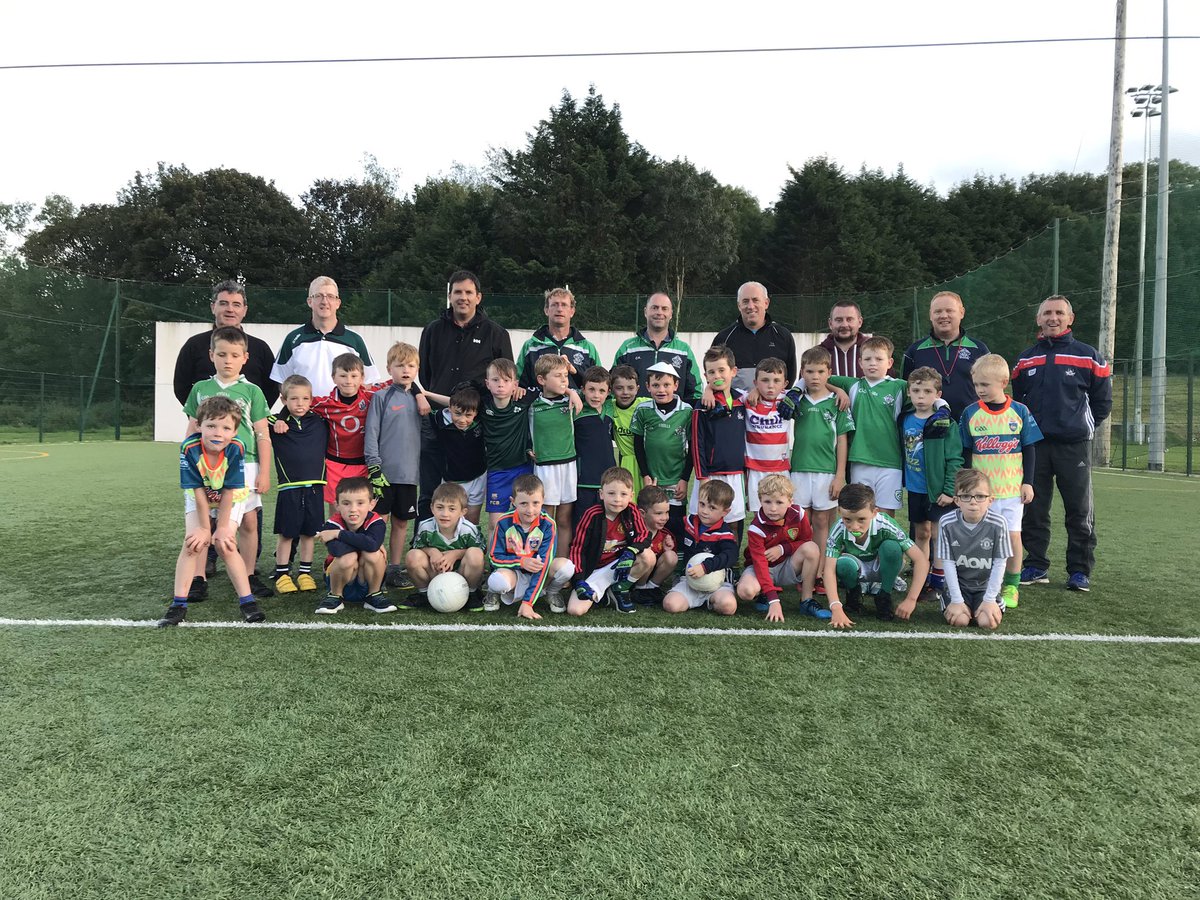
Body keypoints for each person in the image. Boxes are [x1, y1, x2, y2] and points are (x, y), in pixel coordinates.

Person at [174, 280, 278, 579]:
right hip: (207, 460)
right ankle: (199, 574)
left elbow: (263, 418)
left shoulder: (256, 365)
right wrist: (189, 457)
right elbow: (188, 404)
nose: (228, 360)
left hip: (245, 461)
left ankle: (247, 574)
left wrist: (264, 471)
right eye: (223, 303)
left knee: (248, 520)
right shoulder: (197, 366)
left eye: (236, 304)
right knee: (205, 515)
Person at [1012, 295, 1112, 592]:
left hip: (1074, 445)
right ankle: (1036, 564)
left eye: (1059, 313)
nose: (1052, 318)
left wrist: (1079, 426)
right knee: (1033, 507)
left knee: (1079, 510)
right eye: (1047, 313)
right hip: (1035, 446)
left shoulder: (1089, 356)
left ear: (1070, 319)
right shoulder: (1025, 359)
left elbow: (1102, 402)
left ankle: (1079, 570)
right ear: (1038, 319)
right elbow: (1019, 402)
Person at [157, 396, 266, 627]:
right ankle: (178, 605)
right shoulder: (189, 448)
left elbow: (228, 490)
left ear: (234, 431)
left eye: (226, 428)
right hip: (201, 495)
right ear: (198, 426)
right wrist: (205, 529)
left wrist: (222, 527)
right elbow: (197, 490)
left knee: (225, 544)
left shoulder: (236, 447)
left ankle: (248, 603)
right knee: (193, 543)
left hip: (230, 496)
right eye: (211, 426)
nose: (218, 433)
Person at [416, 269, 514, 521]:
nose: (463, 297)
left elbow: (505, 375)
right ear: (449, 296)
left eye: (469, 292)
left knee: (470, 492)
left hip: (475, 424)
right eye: (457, 292)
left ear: (478, 297)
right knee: (430, 490)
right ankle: (425, 539)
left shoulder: (496, 334)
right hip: (437, 422)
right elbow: (425, 374)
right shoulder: (432, 330)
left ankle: (466, 539)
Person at [961, 353, 1042, 608]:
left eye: (985, 384)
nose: (980, 389)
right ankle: (982, 582)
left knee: (1012, 537)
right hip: (980, 494)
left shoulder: (1019, 411)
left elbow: (1029, 449)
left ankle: (1012, 585)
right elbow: (965, 452)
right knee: (979, 539)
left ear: (1003, 382)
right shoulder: (970, 413)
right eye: (976, 384)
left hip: (1010, 491)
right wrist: (965, 487)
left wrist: (1028, 482)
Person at [779, 346, 854, 569]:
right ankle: (802, 567)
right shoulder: (797, 401)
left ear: (829, 372)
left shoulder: (837, 402)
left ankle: (820, 569)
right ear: (802, 373)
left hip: (826, 471)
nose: (815, 377)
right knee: (801, 520)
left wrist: (839, 476)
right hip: (799, 469)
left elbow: (842, 440)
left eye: (821, 372)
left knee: (822, 520)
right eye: (810, 372)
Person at [363, 342, 426, 588]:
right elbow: (371, 433)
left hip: (409, 474)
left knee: (401, 522)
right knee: (379, 521)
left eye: (411, 366)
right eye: (400, 366)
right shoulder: (381, 397)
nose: (405, 370)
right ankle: (375, 567)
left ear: (417, 369)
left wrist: (421, 395)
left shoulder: (421, 400)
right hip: (384, 474)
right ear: (389, 369)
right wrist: (374, 466)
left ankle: (393, 569)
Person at [824, 483, 928, 628]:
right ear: (839, 511)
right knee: (842, 564)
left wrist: (911, 599)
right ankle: (853, 594)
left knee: (892, 548)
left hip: (882, 566)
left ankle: (884, 595)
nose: (854, 526)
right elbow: (829, 569)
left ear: (874, 512)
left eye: (861, 519)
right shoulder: (838, 528)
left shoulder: (884, 523)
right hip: (856, 567)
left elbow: (921, 560)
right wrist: (835, 607)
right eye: (848, 519)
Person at [826, 336, 908, 518]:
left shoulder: (900, 387)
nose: (873, 363)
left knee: (886, 515)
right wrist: (838, 390)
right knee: (859, 512)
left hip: (890, 462)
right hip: (859, 460)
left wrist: (942, 405)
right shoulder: (852, 385)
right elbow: (816, 377)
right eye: (868, 359)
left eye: (879, 359)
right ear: (860, 362)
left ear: (890, 362)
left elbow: (927, 388)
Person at [302, 353, 392, 512]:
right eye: (343, 376)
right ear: (333, 378)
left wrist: (419, 394)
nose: (348, 381)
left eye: (354, 376)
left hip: (364, 464)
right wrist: (281, 418)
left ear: (362, 378)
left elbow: (399, 381)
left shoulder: (371, 396)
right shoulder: (325, 403)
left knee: (361, 511)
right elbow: (298, 400)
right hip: (335, 464)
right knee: (337, 511)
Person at [901, 367, 963, 600]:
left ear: (938, 395)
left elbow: (954, 458)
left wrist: (949, 490)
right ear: (909, 392)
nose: (921, 396)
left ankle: (938, 580)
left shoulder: (945, 423)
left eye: (927, 392)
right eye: (916, 391)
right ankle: (922, 575)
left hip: (938, 490)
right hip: (915, 488)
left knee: (939, 533)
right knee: (921, 533)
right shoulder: (904, 418)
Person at [173, 280, 278, 409]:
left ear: (244, 310)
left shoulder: (260, 348)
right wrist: (202, 414)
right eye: (223, 303)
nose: (230, 309)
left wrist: (253, 414)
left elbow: (272, 388)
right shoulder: (194, 345)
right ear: (213, 307)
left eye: (236, 305)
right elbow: (181, 386)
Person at [564, 467, 655, 616]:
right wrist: (579, 580)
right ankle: (606, 594)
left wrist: (631, 551)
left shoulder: (632, 510)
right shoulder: (591, 515)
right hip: (594, 569)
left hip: (620, 565)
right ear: (601, 494)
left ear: (631, 496)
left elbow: (644, 535)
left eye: (623, 494)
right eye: (611, 493)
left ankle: (620, 589)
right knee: (575, 610)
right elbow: (577, 549)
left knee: (648, 556)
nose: (617, 499)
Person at [271, 275, 380, 398]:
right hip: (306, 410)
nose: (324, 301)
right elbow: (281, 379)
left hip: (343, 410)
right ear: (309, 301)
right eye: (318, 296)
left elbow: (368, 381)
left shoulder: (355, 340)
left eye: (330, 296)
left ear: (338, 303)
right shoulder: (293, 339)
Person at [736, 474, 825, 622]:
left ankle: (806, 600)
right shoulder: (755, 528)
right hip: (761, 568)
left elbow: (805, 540)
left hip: (787, 564)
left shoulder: (798, 514)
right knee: (746, 591)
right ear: (760, 501)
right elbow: (759, 564)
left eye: (779, 502)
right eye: (767, 502)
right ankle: (765, 593)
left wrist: (783, 549)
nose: (773, 508)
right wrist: (774, 600)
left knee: (812, 548)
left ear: (790, 502)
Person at [267, 375, 327, 594]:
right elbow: (260, 419)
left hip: (316, 487)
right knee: (287, 533)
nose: (300, 403)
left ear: (311, 399)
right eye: (293, 399)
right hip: (289, 488)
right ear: (284, 400)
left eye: (305, 398)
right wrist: (281, 418)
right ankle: (282, 574)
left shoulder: (320, 420)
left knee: (309, 533)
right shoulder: (275, 422)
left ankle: (305, 573)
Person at [485, 473, 574, 620]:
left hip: (539, 573)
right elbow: (494, 558)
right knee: (497, 581)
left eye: (535, 503)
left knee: (566, 567)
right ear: (513, 502)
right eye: (524, 503)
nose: (530, 510)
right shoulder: (503, 522)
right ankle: (494, 591)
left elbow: (544, 564)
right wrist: (521, 562)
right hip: (514, 573)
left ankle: (552, 592)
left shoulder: (548, 524)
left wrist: (528, 603)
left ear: (543, 501)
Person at [937, 470, 1010, 630]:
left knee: (987, 622)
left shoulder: (999, 523)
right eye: (966, 496)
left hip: (985, 587)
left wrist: (989, 599)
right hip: (959, 587)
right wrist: (957, 600)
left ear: (990, 500)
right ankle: (955, 602)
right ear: (956, 500)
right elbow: (948, 563)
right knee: (960, 621)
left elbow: (1000, 563)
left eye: (980, 496)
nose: (973, 502)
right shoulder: (946, 522)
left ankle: (991, 602)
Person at [631, 361, 693, 546]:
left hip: (676, 478)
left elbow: (692, 448)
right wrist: (645, 474)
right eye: (656, 385)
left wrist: (684, 479)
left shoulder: (686, 411)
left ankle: (677, 558)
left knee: (675, 521)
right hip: (653, 478)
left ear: (676, 385)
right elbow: (638, 445)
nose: (661, 390)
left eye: (666, 385)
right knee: (651, 520)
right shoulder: (643, 410)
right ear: (648, 386)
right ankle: (652, 555)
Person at [689, 345, 747, 542]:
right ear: (706, 376)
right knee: (704, 519)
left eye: (722, 370)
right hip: (709, 475)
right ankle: (699, 554)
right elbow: (696, 443)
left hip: (735, 474)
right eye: (711, 372)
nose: (717, 376)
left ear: (733, 371)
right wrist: (702, 477)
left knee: (733, 520)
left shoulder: (743, 401)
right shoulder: (703, 405)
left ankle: (732, 558)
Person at [902, 291, 990, 419]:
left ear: (961, 313)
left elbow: (991, 389)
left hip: (972, 423)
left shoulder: (979, 350)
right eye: (938, 311)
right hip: (928, 426)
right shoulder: (915, 351)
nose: (943, 316)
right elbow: (905, 392)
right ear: (930, 315)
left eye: (949, 310)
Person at [315, 476, 394, 615]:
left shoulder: (376, 522)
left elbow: (372, 546)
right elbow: (337, 550)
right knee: (348, 557)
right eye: (346, 503)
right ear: (337, 505)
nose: (353, 509)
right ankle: (335, 596)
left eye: (360, 503)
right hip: (343, 580)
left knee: (373, 554)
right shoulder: (332, 524)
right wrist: (367, 543)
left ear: (371, 504)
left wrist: (339, 534)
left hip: (367, 579)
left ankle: (374, 595)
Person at [404, 482, 486, 611]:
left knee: (475, 554)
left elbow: (481, 550)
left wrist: (456, 554)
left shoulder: (469, 529)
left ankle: (471, 593)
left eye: (452, 509)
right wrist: (431, 551)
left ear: (463, 512)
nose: (445, 514)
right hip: (436, 572)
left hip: (462, 574)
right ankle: (424, 593)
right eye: (440, 507)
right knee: (412, 555)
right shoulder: (425, 526)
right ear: (432, 508)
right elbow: (417, 547)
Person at [663, 479, 738, 616]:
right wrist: (669, 538)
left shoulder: (725, 534)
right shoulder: (689, 522)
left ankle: (712, 599)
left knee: (728, 606)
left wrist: (705, 567)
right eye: (702, 504)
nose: (704, 511)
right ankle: (694, 598)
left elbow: (730, 556)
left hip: (718, 585)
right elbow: (667, 524)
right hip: (689, 581)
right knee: (670, 604)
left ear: (725, 512)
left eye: (712, 508)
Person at [708, 281, 797, 396]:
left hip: (773, 407)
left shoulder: (783, 336)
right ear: (739, 306)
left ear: (766, 303)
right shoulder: (723, 338)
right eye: (745, 301)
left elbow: (790, 377)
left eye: (755, 300)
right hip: (734, 406)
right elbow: (712, 374)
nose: (750, 306)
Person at [528, 354, 578, 555]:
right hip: (545, 467)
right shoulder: (532, 405)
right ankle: (543, 561)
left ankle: (561, 561)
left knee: (564, 519)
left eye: (566, 375)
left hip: (568, 466)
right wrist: (527, 448)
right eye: (558, 376)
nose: (564, 380)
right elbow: (522, 431)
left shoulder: (570, 400)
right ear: (541, 379)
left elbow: (592, 388)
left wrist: (571, 390)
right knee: (545, 519)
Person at [612, 292, 701, 401]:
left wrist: (684, 411)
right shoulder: (627, 348)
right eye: (654, 308)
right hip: (635, 412)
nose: (659, 312)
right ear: (645, 312)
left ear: (671, 314)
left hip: (674, 413)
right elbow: (613, 385)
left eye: (664, 309)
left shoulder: (683, 350)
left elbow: (695, 391)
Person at [516, 287, 600, 391]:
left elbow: (600, 385)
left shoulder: (587, 348)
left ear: (572, 311)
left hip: (576, 402)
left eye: (564, 305)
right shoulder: (530, 346)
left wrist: (575, 372)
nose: (559, 309)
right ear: (546, 310)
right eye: (554, 304)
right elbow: (518, 385)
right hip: (539, 402)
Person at [429, 385, 487, 526]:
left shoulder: (481, 419)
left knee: (472, 519)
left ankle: (472, 540)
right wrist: (424, 394)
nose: (462, 420)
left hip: (477, 478)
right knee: (450, 521)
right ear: (450, 409)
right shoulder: (439, 419)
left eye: (468, 415)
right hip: (451, 480)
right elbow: (451, 404)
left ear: (475, 413)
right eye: (458, 414)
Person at [740, 357, 791, 515]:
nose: (770, 385)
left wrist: (839, 391)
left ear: (785, 384)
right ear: (755, 382)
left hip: (781, 469)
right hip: (756, 470)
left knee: (782, 514)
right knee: (760, 514)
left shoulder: (787, 398)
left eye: (776, 381)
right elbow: (723, 390)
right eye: (765, 380)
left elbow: (806, 382)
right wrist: (708, 390)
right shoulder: (747, 399)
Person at [573, 366, 617, 526]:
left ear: (608, 392)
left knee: (605, 523)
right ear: (583, 389)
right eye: (591, 390)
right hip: (584, 479)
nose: (596, 395)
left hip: (608, 480)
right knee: (582, 523)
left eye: (601, 391)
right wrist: (574, 377)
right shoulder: (576, 408)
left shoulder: (610, 406)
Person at [608, 365, 649, 500]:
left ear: (637, 388)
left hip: (649, 462)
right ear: (611, 389)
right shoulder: (609, 406)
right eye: (619, 388)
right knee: (629, 502)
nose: (625, 392)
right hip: (627, 461)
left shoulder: (646, 405)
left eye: (630, 388)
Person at [631, 485, 677, 605]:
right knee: (647, 554)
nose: (664, 518)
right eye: (659, 513)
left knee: (671, 556)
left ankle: (651, 588)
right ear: (642, 513)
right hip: (633, 572)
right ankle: (639, 588)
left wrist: (668, 549)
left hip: (651, 573)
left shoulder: (665, 535)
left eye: (667, 512)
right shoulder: (632, 531)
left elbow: (668, 560)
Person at [819, 300, 870, 378]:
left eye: (849, 319)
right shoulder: (816, 354)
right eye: (839, 320)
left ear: (860, 322)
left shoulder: (876, 351)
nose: (844, 325)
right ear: (830, 323)